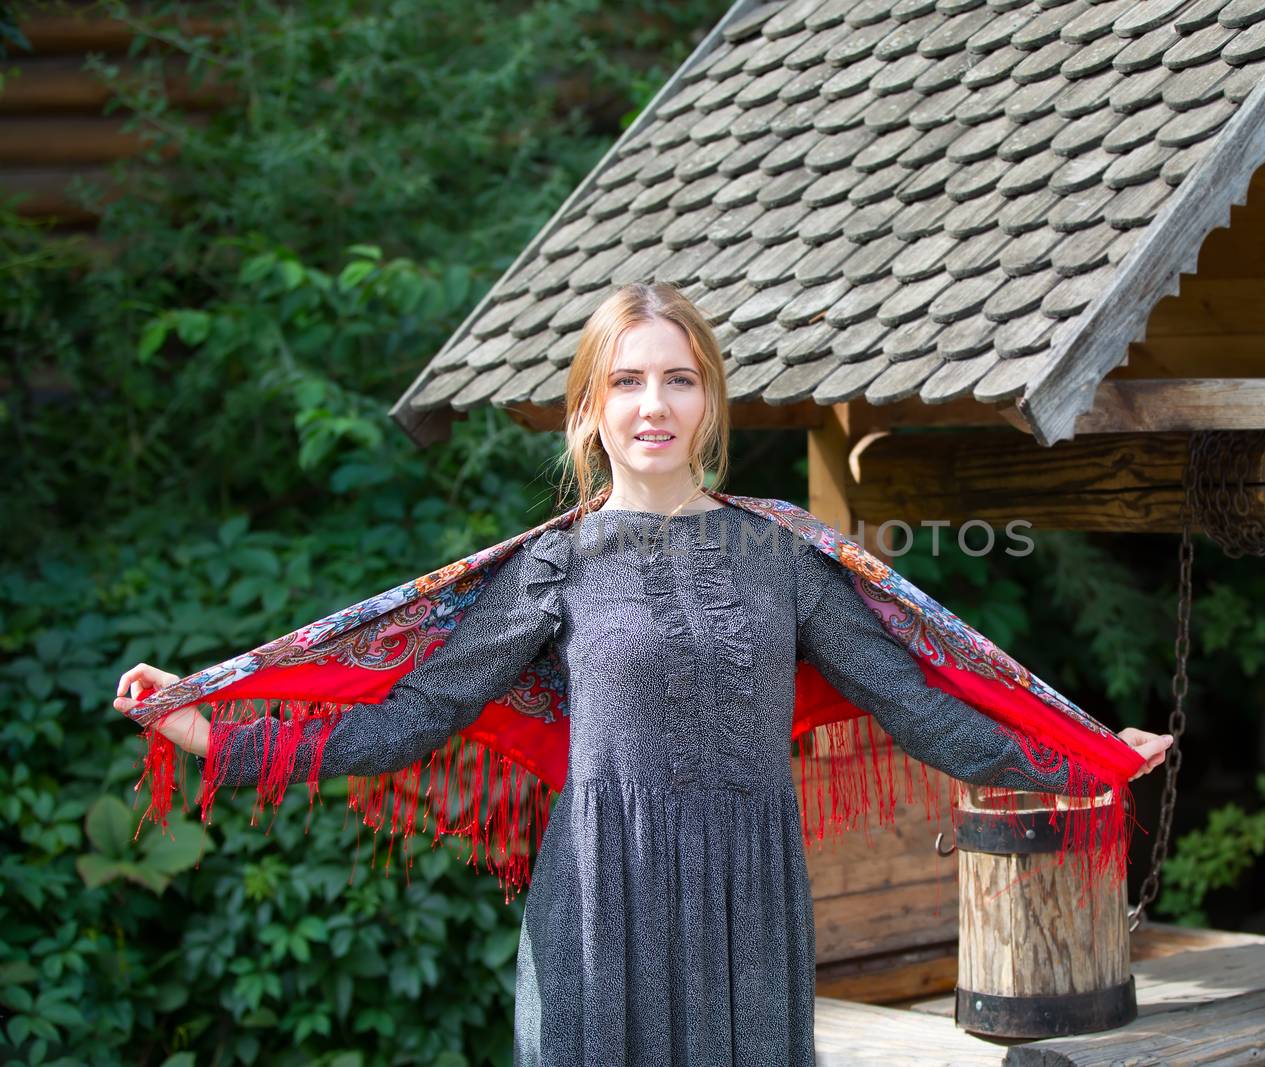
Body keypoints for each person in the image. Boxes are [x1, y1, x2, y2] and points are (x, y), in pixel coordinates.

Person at [115, 281, 1174, 1067]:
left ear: (711, 403)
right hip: (597, 903)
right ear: (588, 409)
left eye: (679, 378)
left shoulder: (787, 555)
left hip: (746, 903)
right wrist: (215, 733)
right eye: (626, 380)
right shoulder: (549, 565)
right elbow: (411, 714)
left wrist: (1077, 755)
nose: (652, 403)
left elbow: (915, 696)